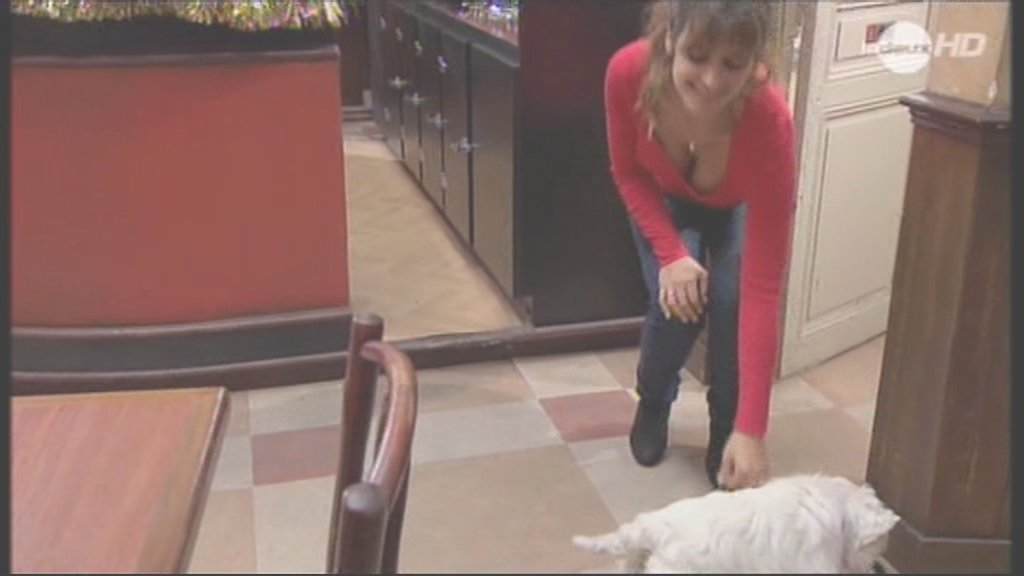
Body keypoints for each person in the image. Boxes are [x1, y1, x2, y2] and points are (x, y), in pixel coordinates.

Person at [604, 0, 796, 491]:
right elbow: (628, 172)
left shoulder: (769, 119)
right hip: (662, 198)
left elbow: (764, 289)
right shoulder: (627, 72)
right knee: (677, 307)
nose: (711, 80)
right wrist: (672, 255)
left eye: (732, 64)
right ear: (671, 38)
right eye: (697, 56)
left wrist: (752, 429)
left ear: (755, 63)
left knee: (733, 301)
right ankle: (653, 400)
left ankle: (726, 423)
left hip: (735, 205)